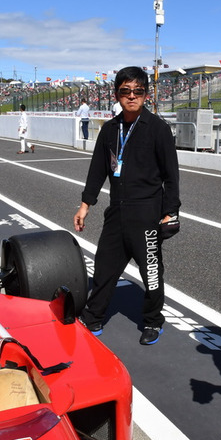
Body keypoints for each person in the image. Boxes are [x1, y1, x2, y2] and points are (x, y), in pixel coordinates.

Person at [73, 66, 181, 346]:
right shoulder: (110, 130)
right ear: (117, 94)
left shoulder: (158, 129)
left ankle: (153, 321)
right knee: (104, 267)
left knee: (152, 271)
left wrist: (171, 211)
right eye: (125, 91)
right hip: (117, 210)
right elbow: (97, 169)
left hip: (147, 213)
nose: (131, 97)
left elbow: (171, 175)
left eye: (138, 91)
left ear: (146, 94)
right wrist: (86, 205)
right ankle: (93, 316)